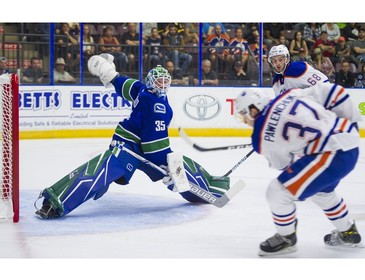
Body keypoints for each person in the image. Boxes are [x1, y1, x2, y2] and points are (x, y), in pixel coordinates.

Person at [34, 54, 234, 219]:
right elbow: (153, 148)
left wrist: (109, 74)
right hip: (129, 147)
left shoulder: (142, 90)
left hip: (136, 146)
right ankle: (55, 202)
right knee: (101, 170)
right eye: (159, 81)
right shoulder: (159, 106)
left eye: (166, 81)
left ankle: (211, 186)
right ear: (150, 82)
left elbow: (122, 84)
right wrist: (167, 167)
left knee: (180, 167)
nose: (162, 85)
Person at [234, 82, 363, 256]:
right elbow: (333, 91)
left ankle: (286, 237)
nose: (244, 120)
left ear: (253, 109)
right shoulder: (290, 94)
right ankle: (348, 233)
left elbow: (284, 165)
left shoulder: (260, 137)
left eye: (244, 114)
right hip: (348, 144)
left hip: (331, 154)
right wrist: (351, 124)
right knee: (322, 193)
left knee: (278, 192)